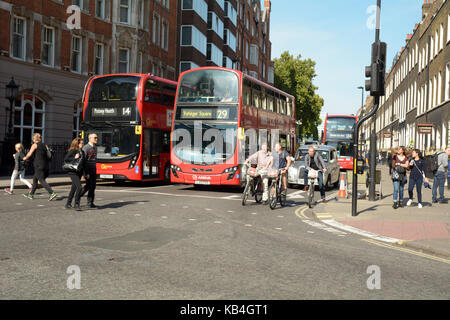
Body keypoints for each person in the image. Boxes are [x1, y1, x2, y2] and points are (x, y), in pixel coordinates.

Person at [22, 133, 57, 201]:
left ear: (34, 139)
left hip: (38, 164)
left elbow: (30, 153)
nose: (33, 140)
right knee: (35, 179)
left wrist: (24, 158)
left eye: (33, 139)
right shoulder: (45, 145)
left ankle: (52, 193)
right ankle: (31, 194)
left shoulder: (35, 145)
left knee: (41, 180)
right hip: (45, 164)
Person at [64, 138, 85, 211]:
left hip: (79, 172)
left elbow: (83, 164)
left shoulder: (82, 152)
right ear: (77, 144)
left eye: (83, 143)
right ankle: (76, 204)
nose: (82, 144)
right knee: (79, 187)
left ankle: (68, 204)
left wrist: (84, 174)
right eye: (81, 143)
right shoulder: (73, 151)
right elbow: (66, 159)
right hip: (72, 172)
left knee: (74, 188)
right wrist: (74, 158)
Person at [80, 133, 98, 208]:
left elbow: (94, 159)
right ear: (90, 139)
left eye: (97, 138)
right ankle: (78, 196)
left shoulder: (95, 148)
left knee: (93, 186)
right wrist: (84, 173)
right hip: (88, 170)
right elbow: (83, 160)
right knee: (88, 186)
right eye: (95, 138)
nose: (96, 139)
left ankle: (90, 202)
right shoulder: (86, 148)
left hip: (93, 169)